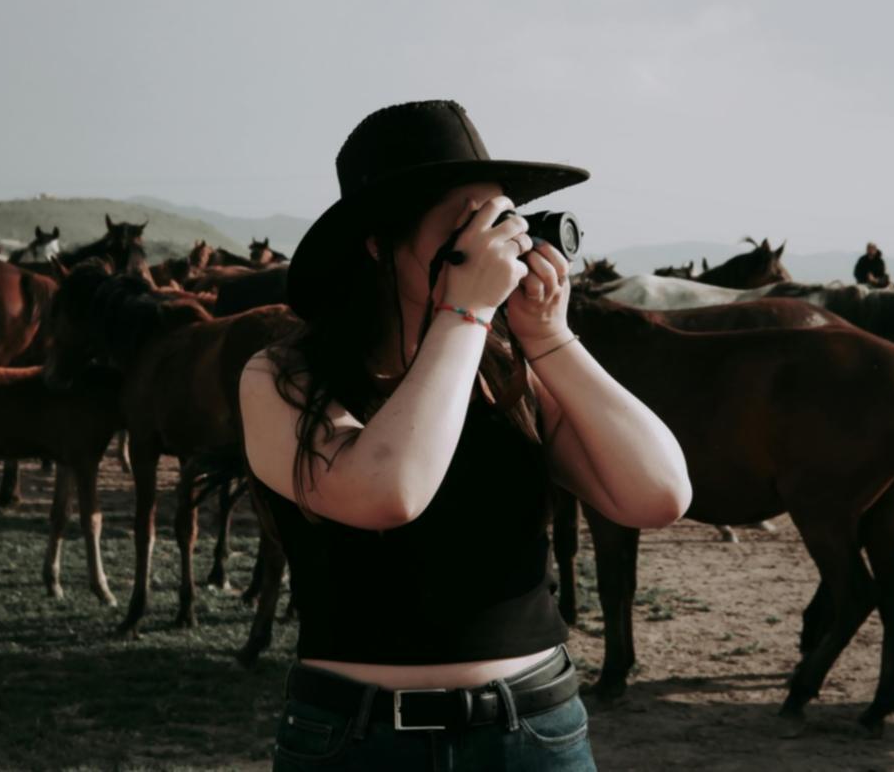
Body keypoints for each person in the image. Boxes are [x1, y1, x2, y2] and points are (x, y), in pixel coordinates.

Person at [241, 100, 692, 770]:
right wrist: (465, 310)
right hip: (355, 742)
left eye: (502, 219)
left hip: (531, 729)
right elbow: (386, 492)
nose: (497, 245)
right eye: (469, 225)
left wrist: (548, 337)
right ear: (376, 243)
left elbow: (658, 494)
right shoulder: (284, 377)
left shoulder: (510, 370)